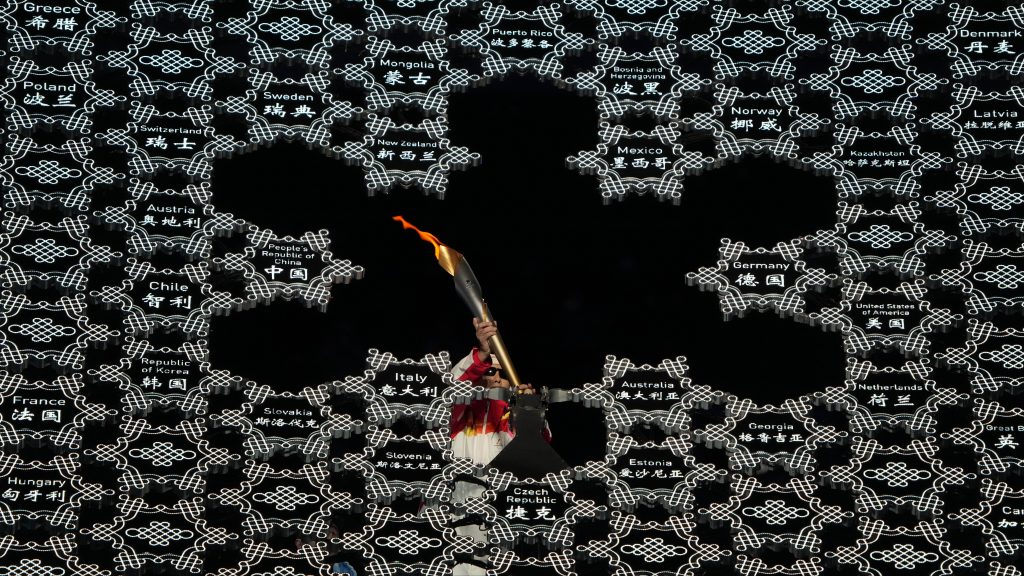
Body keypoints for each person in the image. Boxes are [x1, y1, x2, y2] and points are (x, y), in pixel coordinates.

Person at [448, 318, 548, 575]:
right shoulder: (456, 414)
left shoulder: (516, 420)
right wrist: (482, 352)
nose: (495, 379)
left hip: (500, 512)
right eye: (489, 371)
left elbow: (539, 453)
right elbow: (451, 386)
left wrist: (530, 411)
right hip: (451, 509)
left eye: (502, 375)